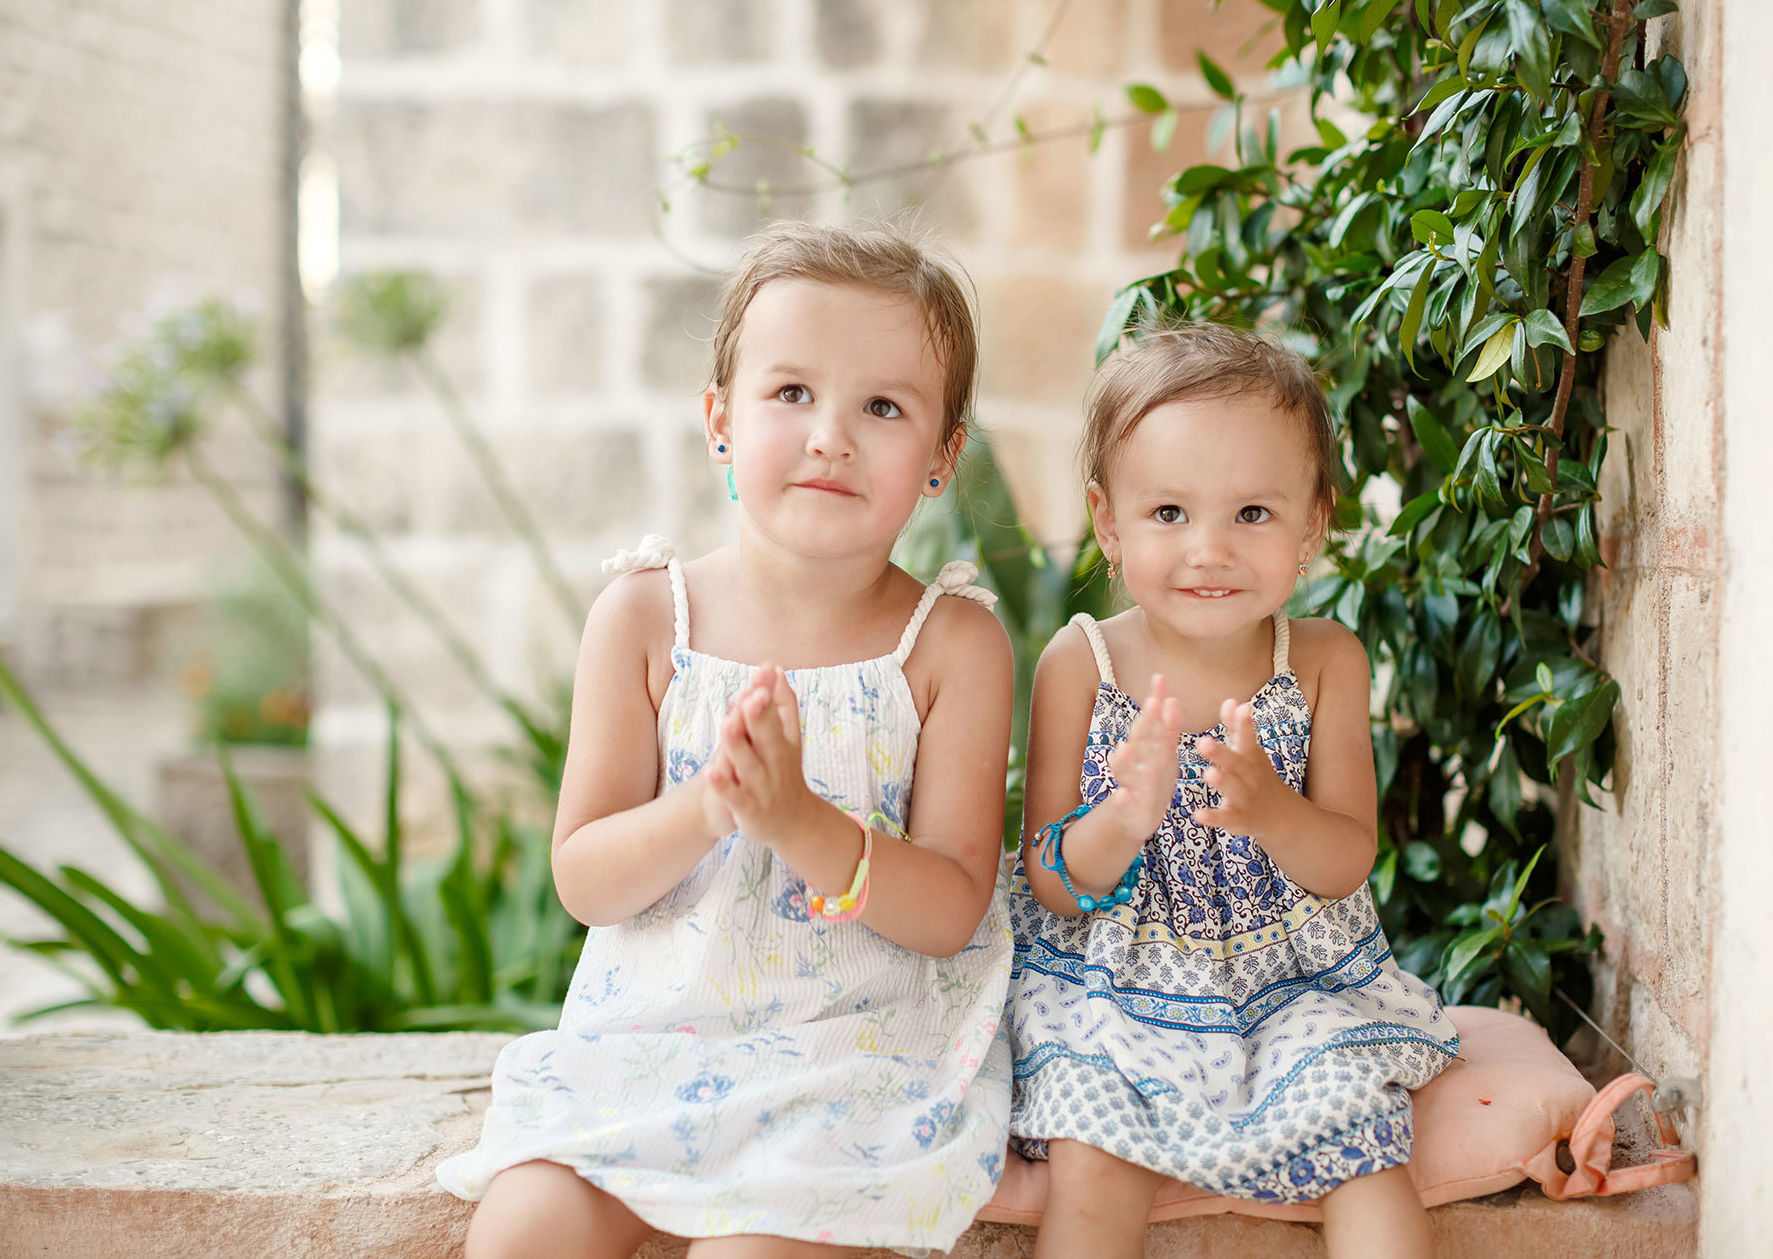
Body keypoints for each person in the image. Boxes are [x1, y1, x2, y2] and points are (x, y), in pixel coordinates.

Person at [438, 221, 1016, 1259]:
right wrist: (708, 805)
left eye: (882, 406)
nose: (830, 434)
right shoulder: (647, 619)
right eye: (790, 393)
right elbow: (585, 877)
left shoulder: (951, 647)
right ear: (719, 419)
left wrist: (800, 822)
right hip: (650, 1049)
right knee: (520, 1232)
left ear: (941, 457)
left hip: (852, 1061)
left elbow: (948, 910)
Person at [1007, 324, 1459, 1259]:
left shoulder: (1326, 660)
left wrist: (1271, 811)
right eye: (1169, 512)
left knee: (1363, 1143)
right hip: (1119, 980)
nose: (1209, 549)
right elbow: (1049, 880)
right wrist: (1120, 822)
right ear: (1108, 523)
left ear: (1313, 524)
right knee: (1094, 1153)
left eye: (1252, 513)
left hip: (1292, 978)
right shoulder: (1081, 662)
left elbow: (1345, 862)